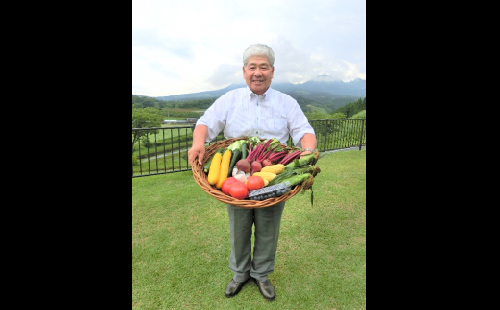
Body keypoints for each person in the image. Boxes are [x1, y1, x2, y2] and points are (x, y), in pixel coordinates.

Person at [188, 44, 317, 301]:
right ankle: (239, 274)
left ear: (272, 71)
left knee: (268, 228)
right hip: (235, 178)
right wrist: (197, 142)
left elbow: (305, 131)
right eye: (252, 67)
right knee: (238, 228)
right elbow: (205, 123)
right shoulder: (229, 100)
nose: (258, 72)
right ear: (244, 71)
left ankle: (261, 275)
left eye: (264, 67)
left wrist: (308, 151)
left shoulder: (286, 103)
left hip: (272, 175)